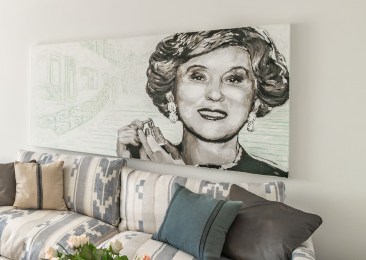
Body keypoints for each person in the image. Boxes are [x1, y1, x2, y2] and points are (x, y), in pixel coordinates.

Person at [116, 27, 289, 177]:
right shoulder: (148, 160)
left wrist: (175, 174)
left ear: (256, 99)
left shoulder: (273, 177)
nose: (214, 94)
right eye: (198, 77)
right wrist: (127, 164)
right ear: (171, 92)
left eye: (234, 79)